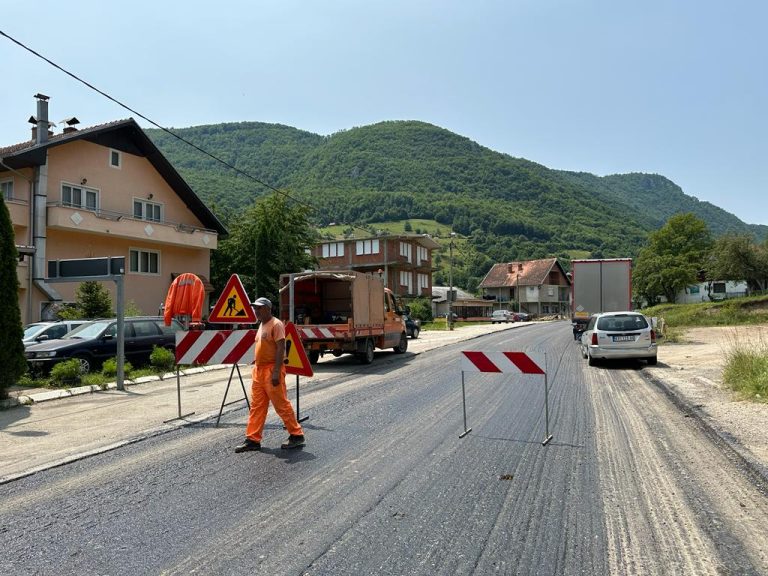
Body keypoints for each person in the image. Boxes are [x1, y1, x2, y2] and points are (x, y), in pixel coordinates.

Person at [235, 297, 306, 452]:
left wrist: (275, 372)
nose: (256, 311)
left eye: (259, 308)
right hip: (259, 371)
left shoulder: (276, 324)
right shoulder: (261, 325)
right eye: (255, 308)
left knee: (281, 404)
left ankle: (296, 435)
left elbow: (281, 349)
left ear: (268, 308)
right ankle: (253, 439)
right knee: (257, 406)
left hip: (271, 370)